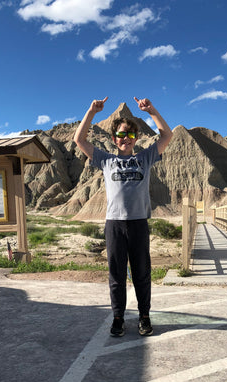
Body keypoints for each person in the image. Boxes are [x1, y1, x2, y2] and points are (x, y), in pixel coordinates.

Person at [74, 97, 173, 337]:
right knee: (116, 274)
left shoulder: (144, 158)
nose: (125, 140)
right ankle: (118, 318)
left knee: (142, 273)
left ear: (136, 139)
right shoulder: (106, 161)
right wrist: (91, 111)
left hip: (139, 223)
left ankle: (144, 316)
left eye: (130, 136)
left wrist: (151, 111)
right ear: (113, 138)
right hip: (115, 224)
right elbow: (79, 140)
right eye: (120, 135)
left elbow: (167, 137)